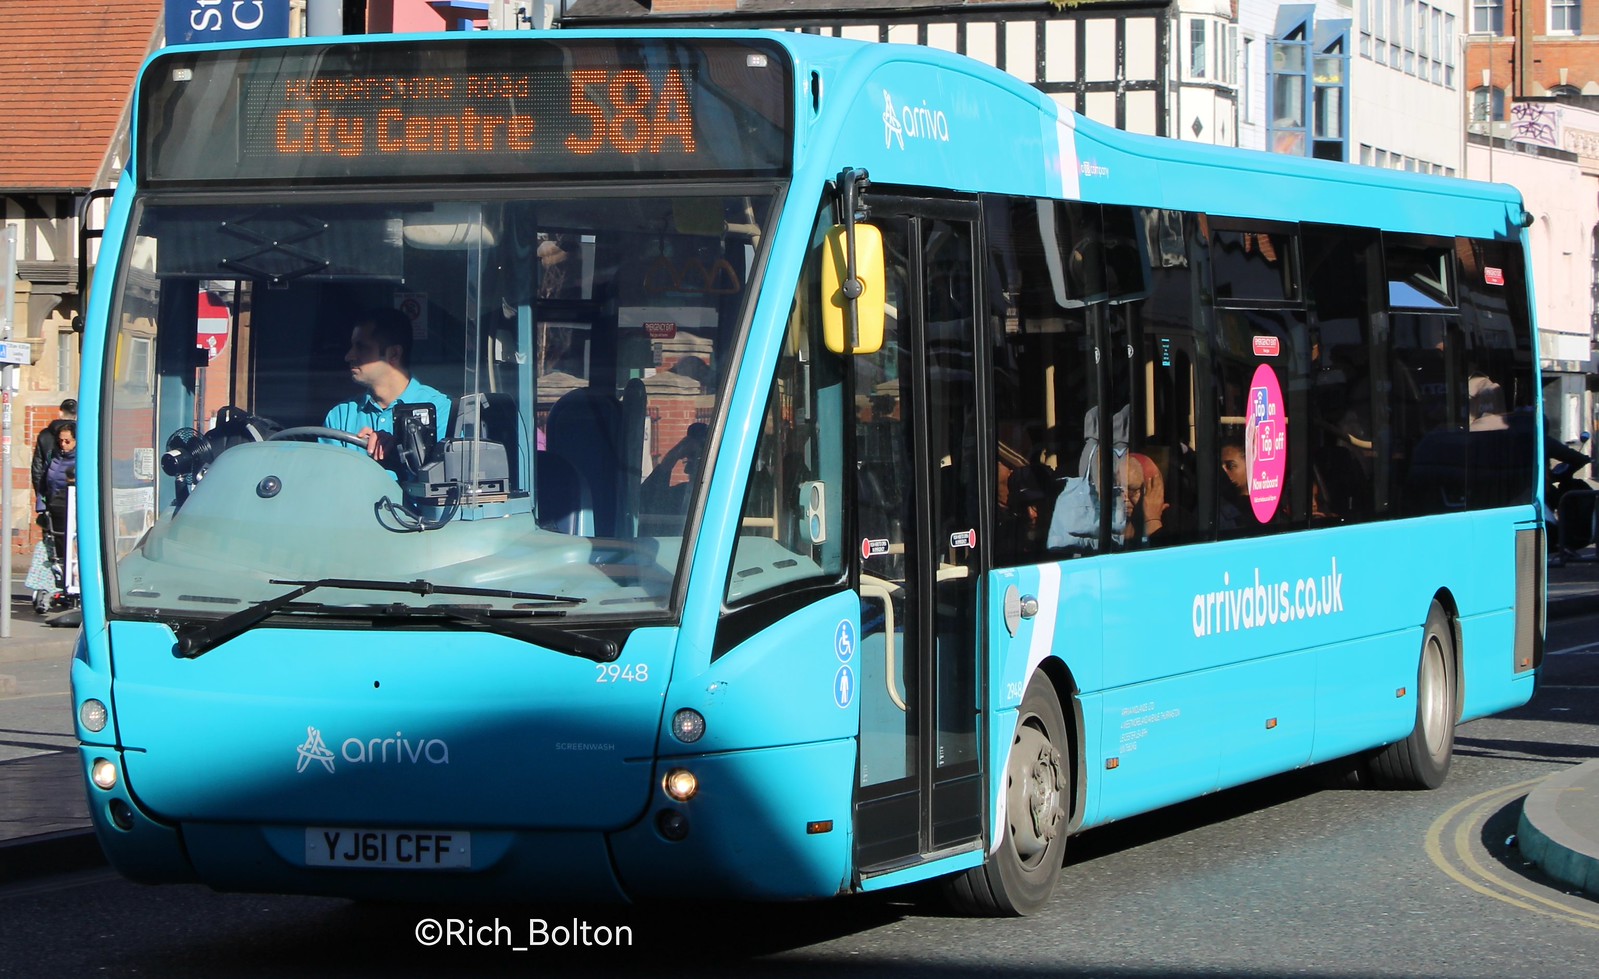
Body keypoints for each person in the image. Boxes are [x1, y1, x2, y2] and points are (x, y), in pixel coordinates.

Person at [324, 308, 451, 471]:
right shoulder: (340, 417)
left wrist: (402, 451)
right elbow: (328, 479)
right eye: (352, 346)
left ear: (394, 354)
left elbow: (447, 477)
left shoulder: (442, 412)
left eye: (361, 347)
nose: (349, 356)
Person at [31, 398, 77, 516]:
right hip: (54, 504)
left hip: (68, 506)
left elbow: (37, 470)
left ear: (60, 412)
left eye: (67, 441)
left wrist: (42, 501)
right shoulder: (54, 457)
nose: (63, 444)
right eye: (60, 441)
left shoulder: (45, 435)